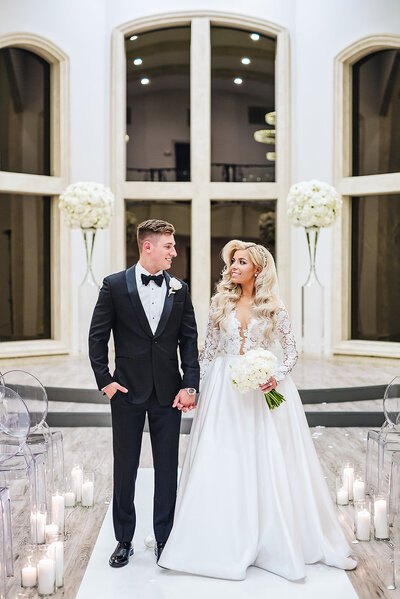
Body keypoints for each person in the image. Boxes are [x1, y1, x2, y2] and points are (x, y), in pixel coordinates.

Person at [159, 239, 356, 580]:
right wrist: (195, 388)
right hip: (224, 390)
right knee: (221, 455)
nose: (233, 267)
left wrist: (273, 375)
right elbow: (207, 351)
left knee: (266, 458)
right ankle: (218, 532)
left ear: (258, 270)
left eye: (241, 262)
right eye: (232, 261)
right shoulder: (220, 302)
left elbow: (292, 353)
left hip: (263, 392)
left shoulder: (274, 308)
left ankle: (270, 533)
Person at [88, 219, 199, 568]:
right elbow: (97, 337)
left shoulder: (180, 289)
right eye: (169, 246)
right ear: (147, 246)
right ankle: (124, 539)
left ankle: (164, 538)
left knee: (168, 467)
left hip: (169, 394)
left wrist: (189, 383)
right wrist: (105, 381)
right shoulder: (114, 285)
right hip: (126, 392)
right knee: (126, 467)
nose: (174, 252)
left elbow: (189, 341)